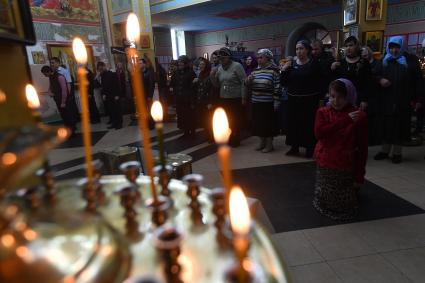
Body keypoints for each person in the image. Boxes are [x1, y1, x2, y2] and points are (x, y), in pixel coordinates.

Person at [313, 79, 368, 221]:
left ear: (348, 96)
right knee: (324, 196)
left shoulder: (358, 115)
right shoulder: (323, 112)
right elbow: (319, 133)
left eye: (341, 97)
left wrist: (359, 175)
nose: (336, 101)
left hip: (345, 163)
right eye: (332, 96)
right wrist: (345, 121)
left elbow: (362, 147)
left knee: (343, 203)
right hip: (325, 161)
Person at [373, 36, 423, 163]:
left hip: (403, 100)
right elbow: (374, 75)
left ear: (402, 47)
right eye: (392, 48)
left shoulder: (411, 61)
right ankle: (384, 150)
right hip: (386, 100)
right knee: (386, 126)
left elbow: (418, 81)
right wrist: (380, 80)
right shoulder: (384, 60)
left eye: (397, 48)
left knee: (399, 127)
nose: (394, 51)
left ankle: (397, 153)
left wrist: (419, 100)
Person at [281, 40, 322, 157]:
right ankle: (294, 147)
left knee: (308, 125)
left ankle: (310, 148)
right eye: (297, 49)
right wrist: (284, 70)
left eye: (301, 48)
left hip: (309, 100)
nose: (299, 51)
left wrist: (320, 97)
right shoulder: (291, 64)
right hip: (293, 100)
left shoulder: (314, 64)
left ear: (307, 50)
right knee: (293, 124)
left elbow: (319, 81)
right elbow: (284, 82)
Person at [210, 47, 247, 147]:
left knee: (235, 119)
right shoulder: (220, 68)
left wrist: (244, 97)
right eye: (220, 59)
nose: (221, 61)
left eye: (223, 58)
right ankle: (229, 138)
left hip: (235, 98)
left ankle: (235, 139)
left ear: (229, 57)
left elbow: (244, 82)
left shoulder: (237, 66)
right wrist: (212, 77)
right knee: (227, 119)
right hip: (224, 98)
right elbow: (217, 85)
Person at [246, 49, 281, 152]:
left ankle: (269, 145)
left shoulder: (274, 71)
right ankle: (261, 143)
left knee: (267, 124)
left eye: (261, 57)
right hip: (256, 102)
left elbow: (277, 87)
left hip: (268, 103)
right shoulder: (255, 71)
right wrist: (248, 80)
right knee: (258, 124)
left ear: (268, 58)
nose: (259, 59)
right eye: (258, 58)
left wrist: (276, 102)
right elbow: (247, 84)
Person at [331, 36, 372, 111]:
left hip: (358, 99)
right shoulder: (340, 62)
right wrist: (332, 69)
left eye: (351, 45)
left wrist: (365, 100)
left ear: (356, 46)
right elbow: (335, 82)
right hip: (342, 99)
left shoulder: (364, 63)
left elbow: (368, 83)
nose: (348, 48)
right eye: (346, 46)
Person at [41, 65, 77, 135]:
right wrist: (49, 92)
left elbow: (64, 90)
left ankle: (72, 132)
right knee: (64, 116)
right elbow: (51, 86)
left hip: (64, 100)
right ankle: (68, 131)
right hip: (57, 99)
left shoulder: (60, 77)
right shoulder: (50, 77)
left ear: (48, 72)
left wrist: (63, 102)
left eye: (45, 74)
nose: (44, 75)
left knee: (68, 116)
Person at [170, 55, 197, 136]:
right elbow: (173, 83)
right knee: (182, 116)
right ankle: (185, 132)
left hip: (188, 99)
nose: (180, 65)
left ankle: (192, 132)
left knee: (189, 116)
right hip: (179, 98)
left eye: (182, 64)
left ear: (185, 64)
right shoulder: (176, 72)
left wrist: (192, 99)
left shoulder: (191, 72)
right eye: (179, 64)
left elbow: (193, 87)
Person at [97, 61, 123, 130]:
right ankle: (114, 123)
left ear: (104, 66)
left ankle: (119, 124)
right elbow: (103, 86)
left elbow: (117, 85)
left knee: (117, 110)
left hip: (115, 95)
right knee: (112, 110)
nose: (100, 70)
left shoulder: (112, 74)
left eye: (101, 69)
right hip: (108, 96)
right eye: (99, 70)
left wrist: (117, 95)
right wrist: (104, 94)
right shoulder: (102, 76)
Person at [193, 57, 214, 140]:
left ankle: (211, 136)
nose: (200, 66)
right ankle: (207, 134)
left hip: (207, 101)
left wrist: (210, 102)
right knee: (204, 119)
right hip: (201, 100)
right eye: (200, 64)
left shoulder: (210, 75)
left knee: (209, 119)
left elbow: (212, 89)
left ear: (206, 66)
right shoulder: (200, 75)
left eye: (202, 64)